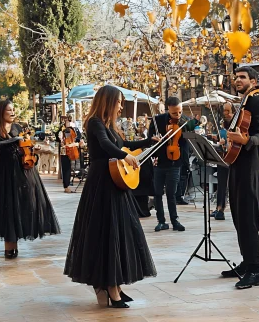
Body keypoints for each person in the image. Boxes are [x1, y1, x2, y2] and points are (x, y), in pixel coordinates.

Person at [64, 85, 156, 308]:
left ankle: (114, 286)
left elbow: (122, 144)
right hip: (101, 182)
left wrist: (148, 142)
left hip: (114, 182)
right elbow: (106, 146)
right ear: (108, 102)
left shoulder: (108, 125)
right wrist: (126, 156)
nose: (121, 106)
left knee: (118, 231)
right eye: (118, 102)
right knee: (106, 232)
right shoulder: (94, 122)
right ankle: (108, 288)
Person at [0, 100, 60, 259]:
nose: (13, 112)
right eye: (9, 110)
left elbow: (23, 144)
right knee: (8, 206)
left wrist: (31, 148)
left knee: (25, 204)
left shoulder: (17, 128)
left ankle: (18, 239)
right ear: (1, 112)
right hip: (4, 171)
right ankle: (10, 246)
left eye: (14, 109)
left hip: (23, 168)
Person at [219, 66, 259, 289]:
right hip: (236, 165)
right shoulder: (244, 102)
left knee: (248, 219)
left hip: (249, 168)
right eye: (236, 77)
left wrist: (244, 140)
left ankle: (255, 270)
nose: (237, 80)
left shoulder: (257, 102)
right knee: (239, 218)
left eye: (242, 77)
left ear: (253, 80)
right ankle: (246, 263)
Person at [148, 96, 187, 232]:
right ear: (167, 110)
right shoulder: (157, 120)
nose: (178, 115)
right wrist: (155, 140)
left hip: (175, 161)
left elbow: (184, 143)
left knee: (172, 193)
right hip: (159, 161)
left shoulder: (184, 122)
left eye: (180, 112)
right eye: (174, 113)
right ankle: (161, 221)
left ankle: (174, 220)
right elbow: (150, 138)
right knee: (158, 193)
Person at [211, 101, 235, 221]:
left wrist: (226, 141)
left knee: (228, 184)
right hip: (222, 156)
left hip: (232, 157)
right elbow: (220, 136)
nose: (225, 113)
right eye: (224, 111)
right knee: (221, 183)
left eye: (228, 111)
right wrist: (216, 139)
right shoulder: (222, 124)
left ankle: (223, 209)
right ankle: (218, 207)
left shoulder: (235, 123)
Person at [58, 116, 80, 193]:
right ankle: (66, 185)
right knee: (66, 168)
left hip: (67, 149)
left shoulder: (69, 129)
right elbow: (68, 140)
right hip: (67, 150)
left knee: (67, 168)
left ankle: (67, 184)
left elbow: (76, 138)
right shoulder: (65, 130)